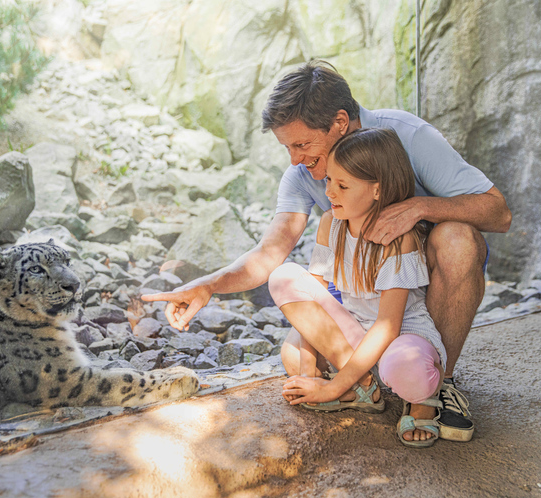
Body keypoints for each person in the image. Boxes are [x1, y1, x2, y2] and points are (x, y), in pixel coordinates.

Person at [142, 61, 512, 442]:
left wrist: (421, 207)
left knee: (457, 239)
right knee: (293, 357)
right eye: (287, 148)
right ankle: (367, 381)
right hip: (361, 298)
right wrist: (208, 284)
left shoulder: (409, 135)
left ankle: (439, 385)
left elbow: (498, 213)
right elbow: (271, 252)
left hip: (416, 291)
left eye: (301, 145)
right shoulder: (303, 173)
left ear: (339, 122)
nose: (295, 159)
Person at [271, 127, 444, 447]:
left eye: (342, 185)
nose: (330, 193)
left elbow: (387, 327)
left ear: (376, 190)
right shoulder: (330, 224)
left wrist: (330, 388)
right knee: (286, 290)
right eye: (328, 182)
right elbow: (313, 299)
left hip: (397, 337)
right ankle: (363, 386)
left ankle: (420, 401)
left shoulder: (399, 240)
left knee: (407, 368)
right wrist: (309, 370)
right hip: (352, 334)